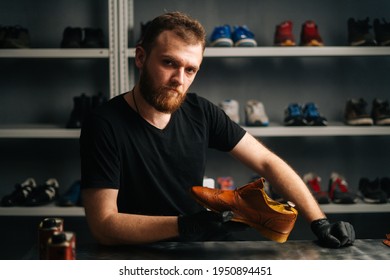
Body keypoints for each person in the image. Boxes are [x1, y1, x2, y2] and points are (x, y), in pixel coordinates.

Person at [80, 11, 355, 248]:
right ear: (140, 57)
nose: (179, 79)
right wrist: (185, 226)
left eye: (190, 70)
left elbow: (267, 162)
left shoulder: (200, 111)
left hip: (195, 251)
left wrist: (319, 221)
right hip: (132, 257)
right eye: (169, 63)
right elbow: (104, 226)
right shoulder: (104, 124)